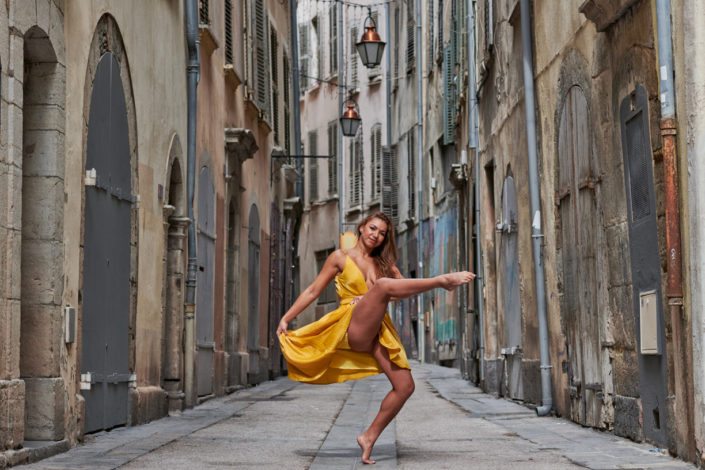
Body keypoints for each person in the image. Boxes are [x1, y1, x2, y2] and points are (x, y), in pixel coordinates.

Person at [277, 212, 475, 464]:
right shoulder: (340, 257)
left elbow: (403, 289)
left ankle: (369, 436)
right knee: (381, 286)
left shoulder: (383, 264)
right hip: (353, 326)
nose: (376, 235)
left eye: (382, 233)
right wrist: (286, 318)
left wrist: (373, 299)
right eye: (372, 228)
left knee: (405, 386)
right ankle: (442, 281)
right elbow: (313, 290)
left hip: (379, 331)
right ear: (361, 228)